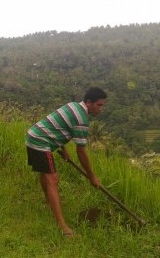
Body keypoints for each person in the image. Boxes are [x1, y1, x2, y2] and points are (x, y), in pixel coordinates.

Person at [25, 87, 107, 237]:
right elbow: (81, 151)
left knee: (45, 174)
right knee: (53, 180)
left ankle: (48, 202)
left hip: (34, 135)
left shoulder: (73, 106)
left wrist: (63, 149)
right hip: (40, 142)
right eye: (99, 105)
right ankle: (62, 226)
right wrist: (91, 176)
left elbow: (57, 125)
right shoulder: (81, 119)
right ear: (89, 102)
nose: (101, 109)